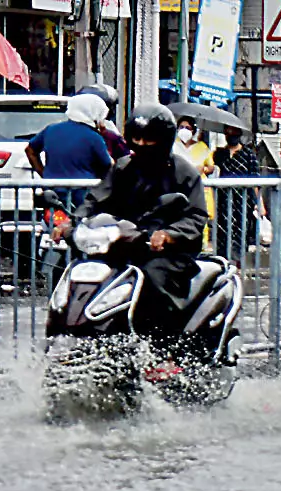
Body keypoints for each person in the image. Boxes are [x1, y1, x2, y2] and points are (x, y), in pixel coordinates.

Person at [61, 103, 209, 336]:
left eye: (148, 139)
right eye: (136, 138)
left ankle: (164, 348)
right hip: (125, 243)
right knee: (91, 273)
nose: (141, 144)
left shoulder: (183, 173)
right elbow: (95, 199)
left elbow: (196, 215)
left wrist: (169, 235)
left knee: (153, 277)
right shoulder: (123, 168)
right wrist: (73, 222)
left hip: (167, 252)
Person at [26, 93, 114, 207]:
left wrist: (45, 174)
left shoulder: (51, 130)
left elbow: (30, 150)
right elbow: (107, 165)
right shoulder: (94, 137)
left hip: (53, 193)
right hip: (82, 196)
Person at [210, 124, 265, 265]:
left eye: (234, 132)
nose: (231, 135)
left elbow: (255, 182)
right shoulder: (219, 154)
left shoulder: (248, 155)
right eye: (228, 132)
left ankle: (238, 267)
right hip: (222, 203)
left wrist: (260, 204)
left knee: (241, 236)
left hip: (243, 203)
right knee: (222, 236)